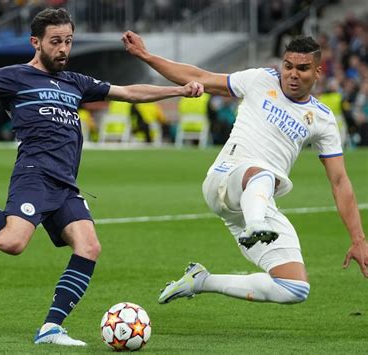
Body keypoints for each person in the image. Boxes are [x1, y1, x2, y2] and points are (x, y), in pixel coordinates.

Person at [0, 8, 203, 347]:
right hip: (34, 174)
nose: (63, 49)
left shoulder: (76, 82)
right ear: (36, 42)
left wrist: (177, 91)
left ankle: (51, 328)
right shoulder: (15, 77)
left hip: (66, 183)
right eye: (55, 41)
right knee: (11, 243)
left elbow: (128, 92)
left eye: (68, 41)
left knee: (89, 247)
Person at [122, 31, 368, 306]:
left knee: (294, 288)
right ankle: (255, 225)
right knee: (263, 174)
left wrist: (358, 238)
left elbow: (339, 181)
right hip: (226, 178)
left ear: (318, 72)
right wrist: (146, 56)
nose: (293, 74)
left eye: (302, 68)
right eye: (288, 66)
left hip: (258, 201)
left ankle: (201, 280)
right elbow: (200, 77)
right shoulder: (259, 80)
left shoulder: (322, 119)